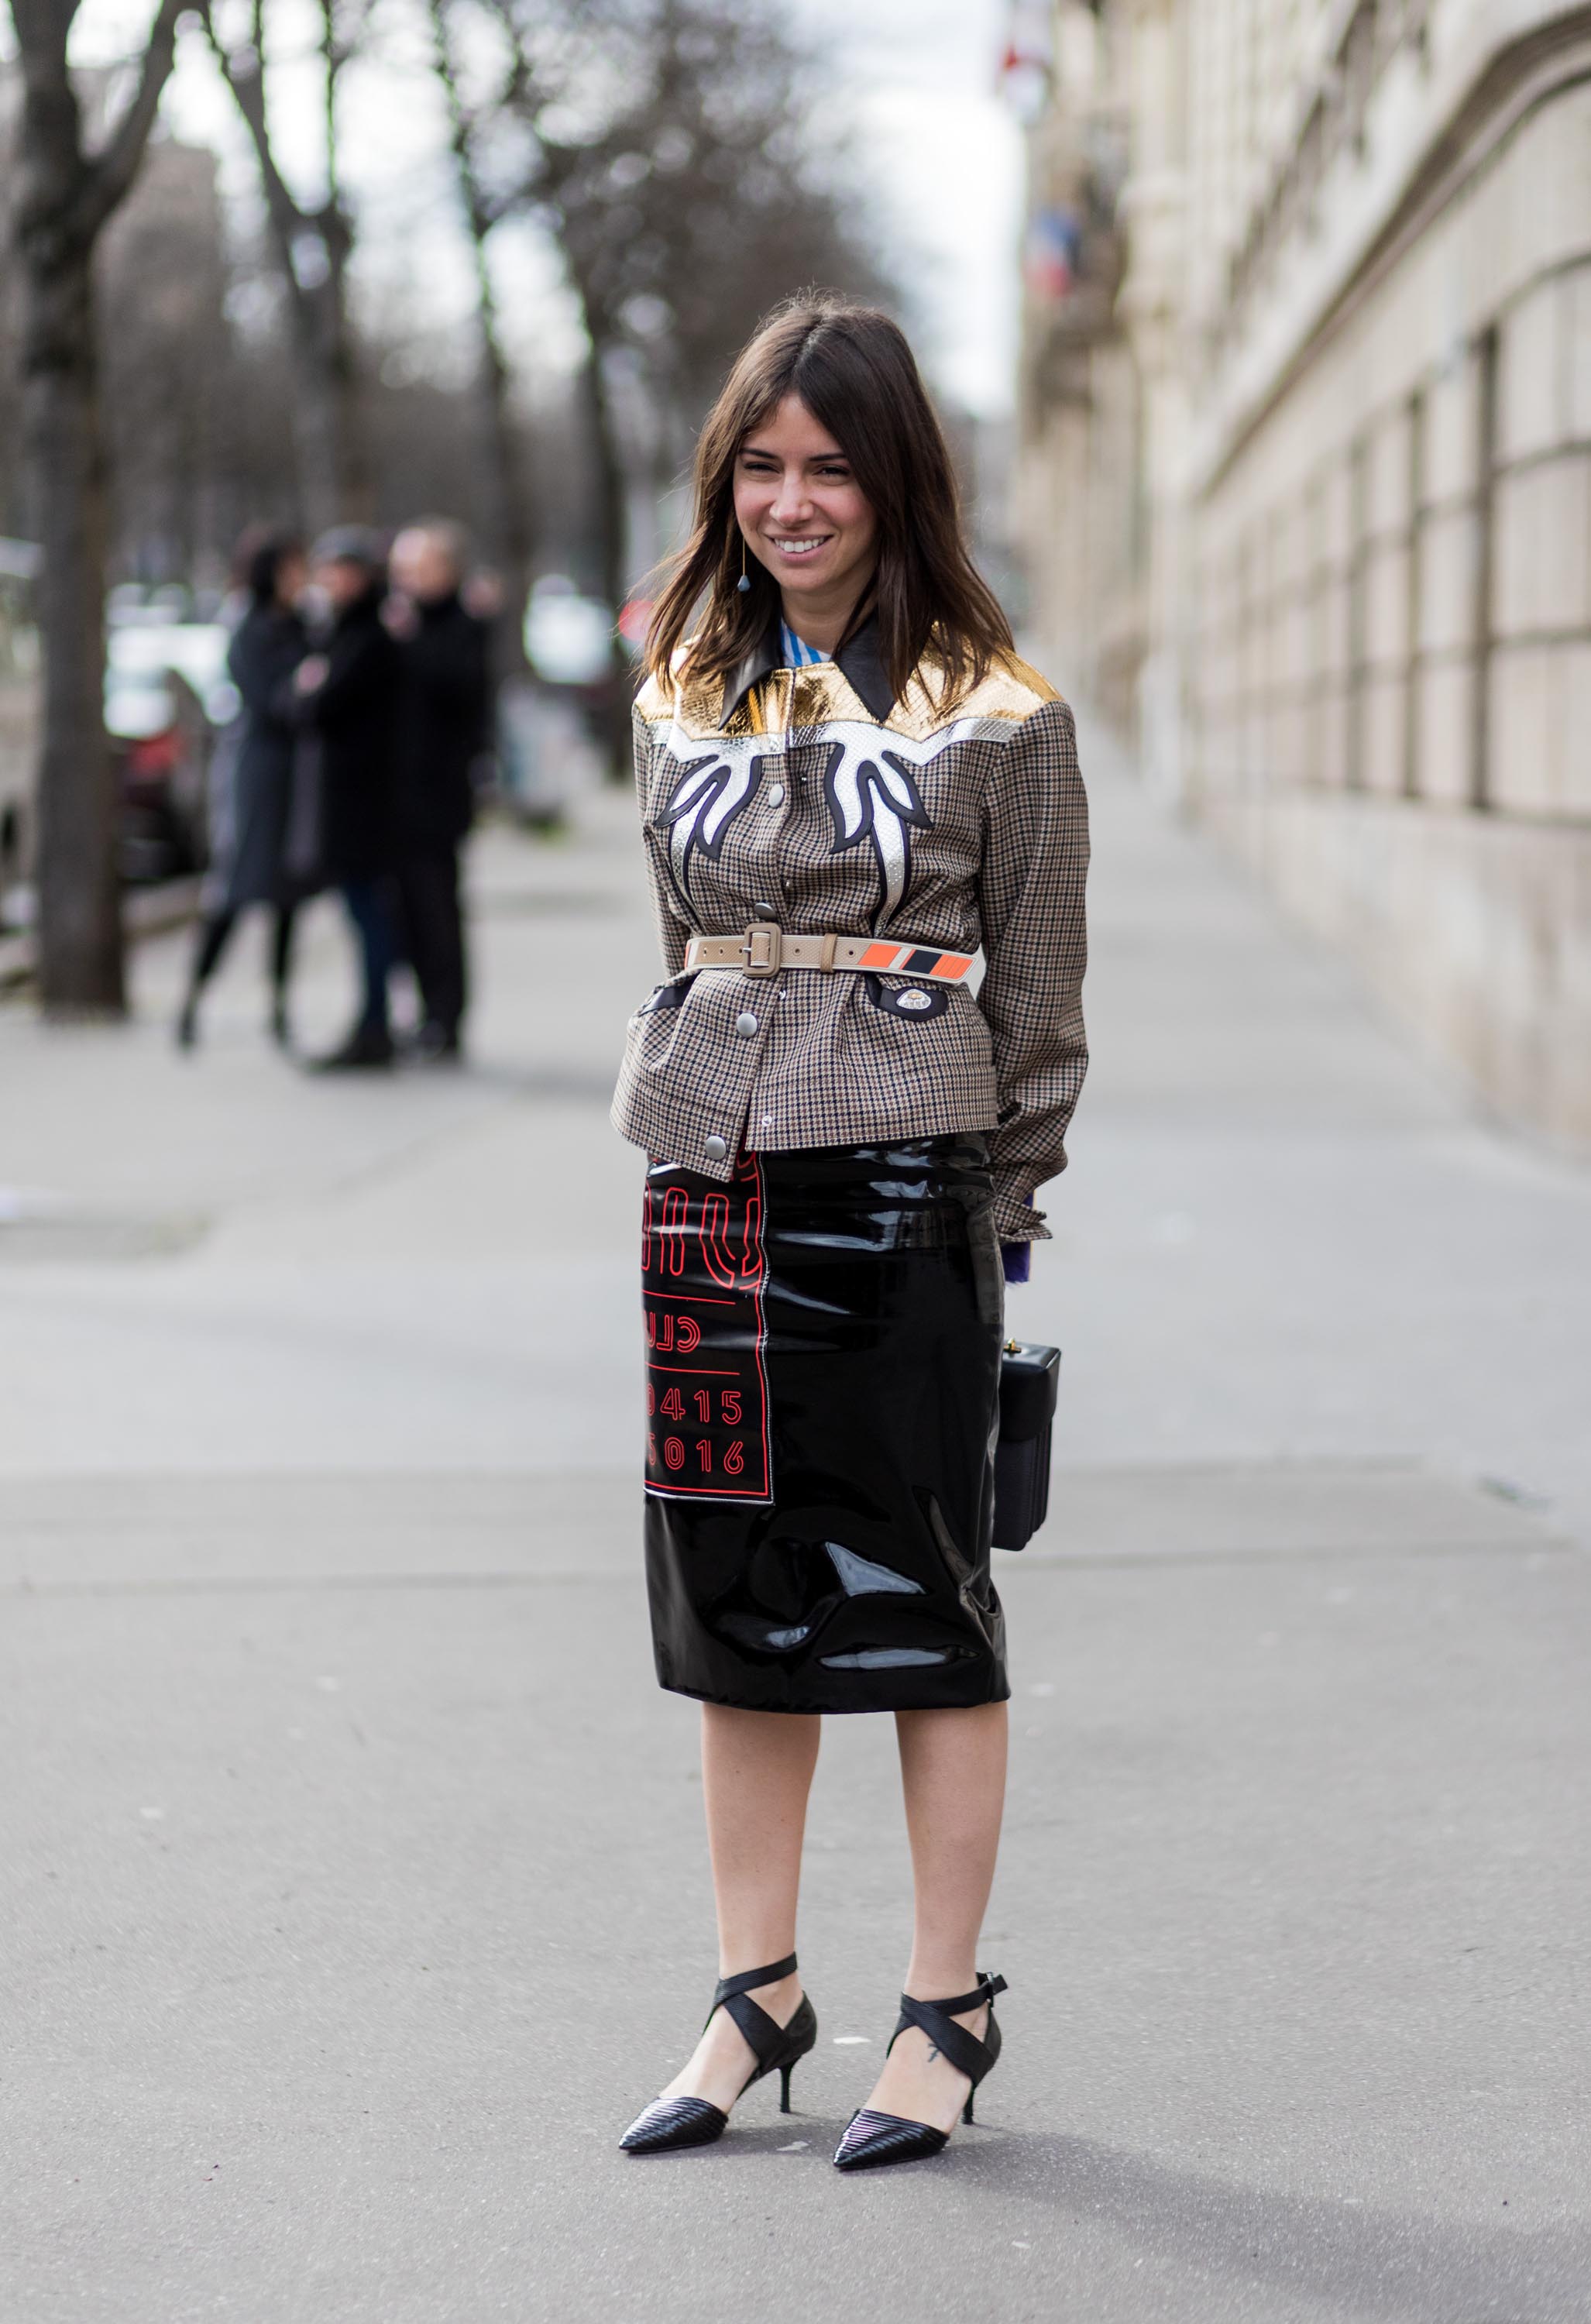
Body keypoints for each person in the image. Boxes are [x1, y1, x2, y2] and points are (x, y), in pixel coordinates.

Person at [610, 297, 1089, 2171]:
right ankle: (754, 1989)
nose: (792, 503)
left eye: (828, 468)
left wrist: (1005, 1200)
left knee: (914, 1593)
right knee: (728, 1589)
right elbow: (679, 933)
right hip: (705, 1172)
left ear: (895, 483)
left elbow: (1036, 991)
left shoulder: (994, 705)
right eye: (761, 465)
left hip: (904, 1175)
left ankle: (945, 2005)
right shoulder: (678, 686)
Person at [176, 529, 310, 1050]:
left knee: (287, 896)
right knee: (235, 889)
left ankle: (278, 1007)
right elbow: (270, 698)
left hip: (292, 773)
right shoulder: (248, 627)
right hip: (257, 775)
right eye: (292, 568)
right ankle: (194, 998)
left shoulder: (300, 625)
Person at [294, 529, 404, 1071]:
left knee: (368, 916)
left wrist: (311, 688)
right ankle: (373, 1023)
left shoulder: (365, 639)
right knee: (363, 915)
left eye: (338, 571)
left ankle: (375, 1026)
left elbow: (319, 705)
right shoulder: (348, 633)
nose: (328, 582)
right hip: (356, 801)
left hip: (363, 804)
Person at [383, 520, 493, 1060]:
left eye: (418, 569)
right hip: (397, 795)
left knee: (436, 910)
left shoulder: (458, 626)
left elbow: (461, 690)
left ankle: (446, 1017)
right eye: (401, 569)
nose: (405, 580)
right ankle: (424, 1010)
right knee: (404, 912)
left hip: (437, 796)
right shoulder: (403, 624)